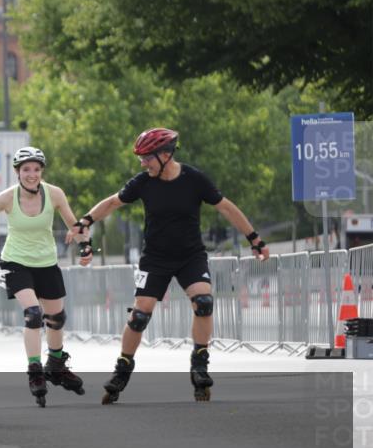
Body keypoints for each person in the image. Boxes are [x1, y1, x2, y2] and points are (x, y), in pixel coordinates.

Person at [66, 128, 270, 403]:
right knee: (140, 315)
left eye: (147, 158)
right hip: (155, 258)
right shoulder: (143, 182)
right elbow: (113, 202)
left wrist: (254, 239)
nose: (143, 164)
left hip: (190, 256)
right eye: (140, 159)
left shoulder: (194, 179)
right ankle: (122, 369)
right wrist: (86, 220)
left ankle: (199, 363)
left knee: (204, 301)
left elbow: (227, 208)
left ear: (165, 154)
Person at [0, 146, 91, 407]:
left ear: (41, 171)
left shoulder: (55, 194)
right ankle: (35, 371)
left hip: (46, 262)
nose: (31, 174)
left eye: (36, 169)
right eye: (26, 170)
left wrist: (85, 247)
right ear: (17, 172)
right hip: (15, 262)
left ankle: (56, 364)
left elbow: (73, 223)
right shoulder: (7, 198)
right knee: (33, 314)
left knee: (56, 318)